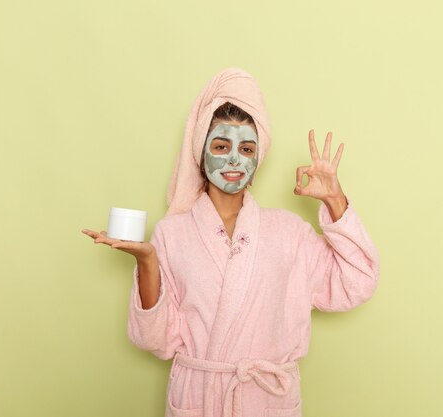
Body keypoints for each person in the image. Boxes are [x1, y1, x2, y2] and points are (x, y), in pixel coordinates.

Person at [81, 67, 380, 417]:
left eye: (247, 148)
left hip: (267, 402)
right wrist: (146, 260)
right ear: (200, 152)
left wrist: (335, 200)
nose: (235, 159)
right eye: (221, 146)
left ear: (258, 157)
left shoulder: (290, 233)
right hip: (200, 398)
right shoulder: (172, 233)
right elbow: (155, 341)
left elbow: (358, 282)